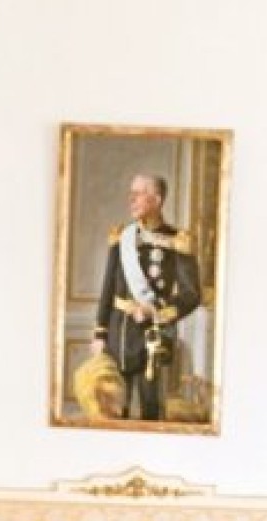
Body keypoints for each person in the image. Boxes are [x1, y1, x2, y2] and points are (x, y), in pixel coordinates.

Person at [90, 173, 201, 421]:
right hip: (118, 336)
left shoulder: (177, 240)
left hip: (153, 339)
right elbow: (108, 289)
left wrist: (155, 310)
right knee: (115, 410)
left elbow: (191, 295)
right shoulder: (122, 237)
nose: (131, 199)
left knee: (151, 411)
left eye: (138, 193)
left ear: (157, 200)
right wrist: (100, 334)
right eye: (131, 193)